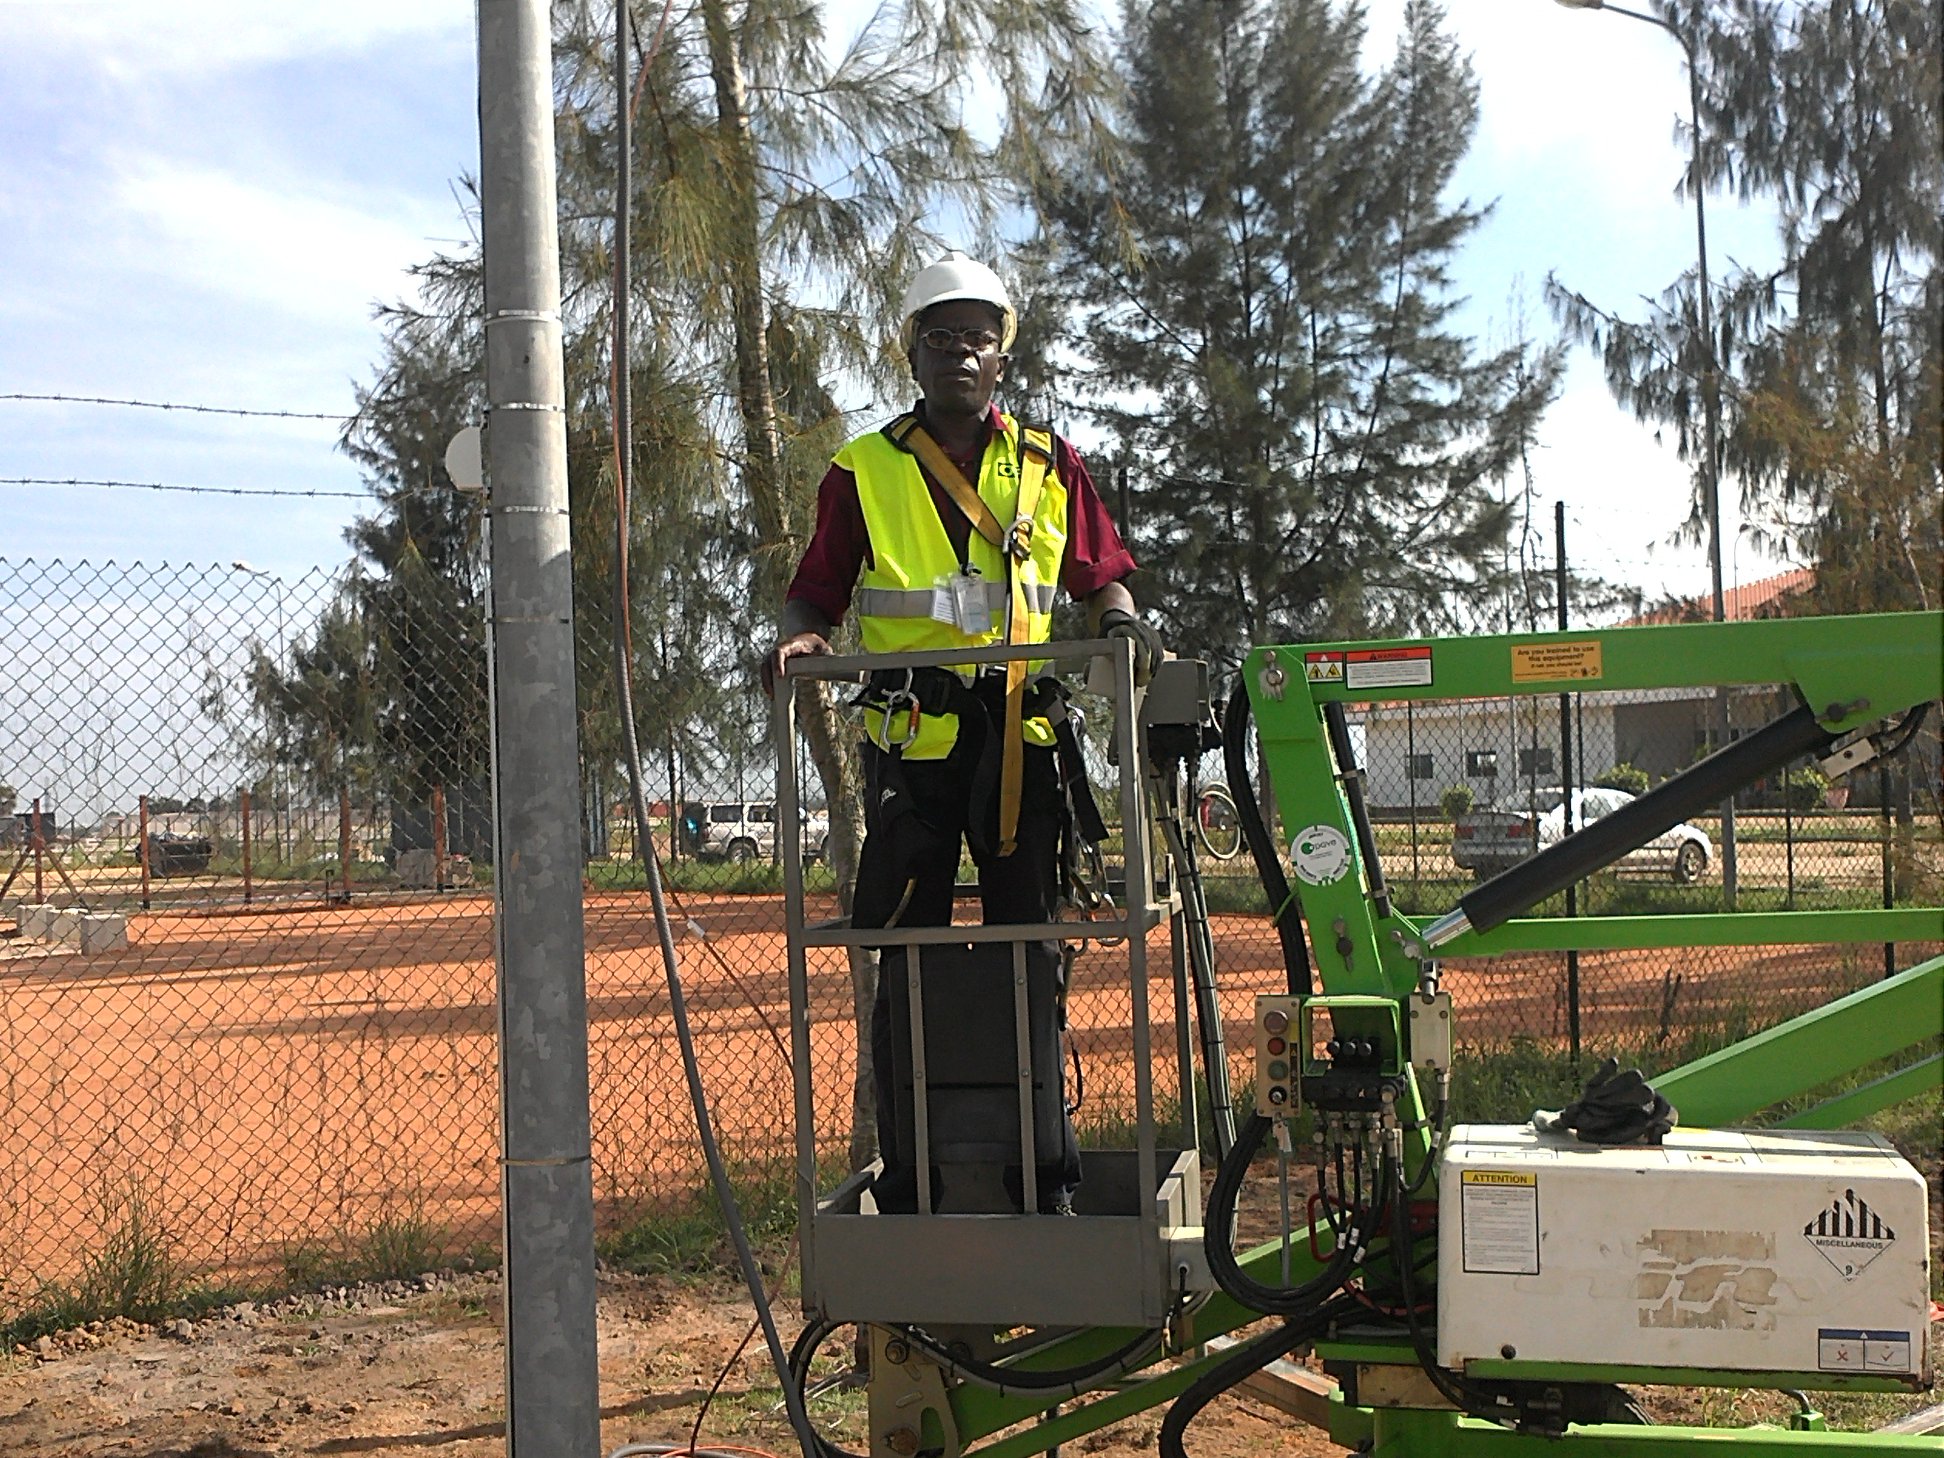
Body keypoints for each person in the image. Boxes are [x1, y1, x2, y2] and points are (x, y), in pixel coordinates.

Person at [764, 251, 1163, 1213]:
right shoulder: (865, 469)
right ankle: (909, 1183)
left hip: (1022, 742)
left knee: (1030, 947)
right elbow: (816, 588)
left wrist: (1118, 620)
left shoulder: (1047, 462)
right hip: (913, 744)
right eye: (940, 336)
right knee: (903, 956)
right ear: (912, 350)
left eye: (977, 338)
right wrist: (799, 639)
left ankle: (1044, 1178)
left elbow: (1098, 570)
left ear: (1002, 355)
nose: (959, 354)